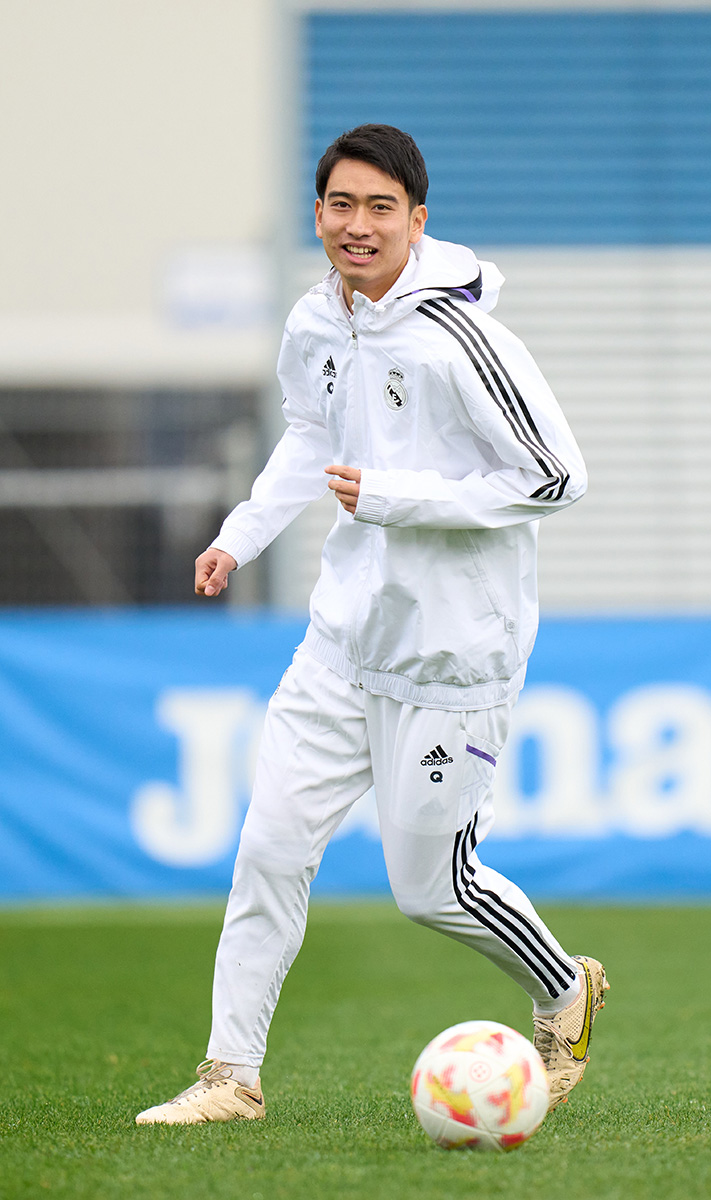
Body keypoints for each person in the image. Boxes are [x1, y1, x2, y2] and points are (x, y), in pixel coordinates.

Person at [135, 124, 608, 1126]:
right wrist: (241, 534)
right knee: (268, 849)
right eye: (341, 205)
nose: (358, 225)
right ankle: (230, 1076)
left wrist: (399, 498)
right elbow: (310, 432)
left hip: (450, 658)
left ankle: (563, 987)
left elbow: (556, 476)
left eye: (380, 208)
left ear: (416, 220)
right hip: (341, 643)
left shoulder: (462, 336)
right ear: (317, 214)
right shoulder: (316, 320)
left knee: (432, 891)